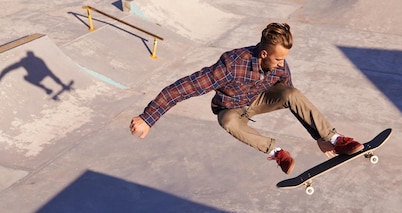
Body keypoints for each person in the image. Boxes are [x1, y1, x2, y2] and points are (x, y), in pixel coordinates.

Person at [129, 22, 363, 175]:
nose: (282, 64)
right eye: (278, 60)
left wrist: (317, 137)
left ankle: (334, 138)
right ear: (263, 54)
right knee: (228, 121)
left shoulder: (280, 65)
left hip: (257, 101)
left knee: (291, 92)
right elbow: (184, 88)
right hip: (230, 107)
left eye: (284, 59)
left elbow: (294, 103)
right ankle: (276, 152)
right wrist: (148, 118)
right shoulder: (231, 65)